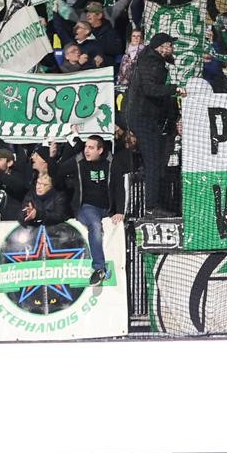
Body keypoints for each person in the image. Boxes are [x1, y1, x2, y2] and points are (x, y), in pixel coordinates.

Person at [123, 32, 179, 216]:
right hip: (142, 118)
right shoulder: (151, 62)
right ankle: (151, 207)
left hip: (145, 117)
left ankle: (152, 203)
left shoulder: (152, 60)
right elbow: (150, 89)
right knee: (154, 160)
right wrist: (174, 89)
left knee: (156, 159)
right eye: (170, 45)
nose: (172, 49)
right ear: (161, 47)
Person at [58, 135, 126, 286]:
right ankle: (99, 268)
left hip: (107, 209)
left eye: (91, 148)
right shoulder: (79, 160)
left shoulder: (112, 162)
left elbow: (119, 188)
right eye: (85, 147)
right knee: (95, 225)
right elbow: (59, 171)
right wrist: (73, 145)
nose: (86, 151)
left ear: (100, 150)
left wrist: (120, 211)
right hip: (86, 208)